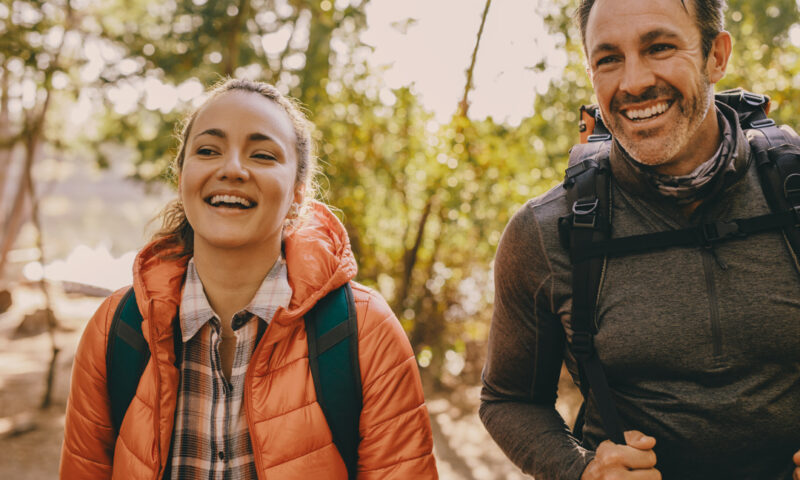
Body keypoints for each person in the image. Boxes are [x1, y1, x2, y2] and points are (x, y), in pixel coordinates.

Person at [480, 0, 800, 479]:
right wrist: (583, 470)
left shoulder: (791, 194)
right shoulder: (547, 232)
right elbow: (508, 400)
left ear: (716, 55)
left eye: (660, 47)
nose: (633, 82)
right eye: (608, 58)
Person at [60, 78, 438, 479]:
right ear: (182, 175)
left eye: (262, 155)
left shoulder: (365, 331)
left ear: (298, 192)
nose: (232, 169)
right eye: (208, 150)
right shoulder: (116, 329)